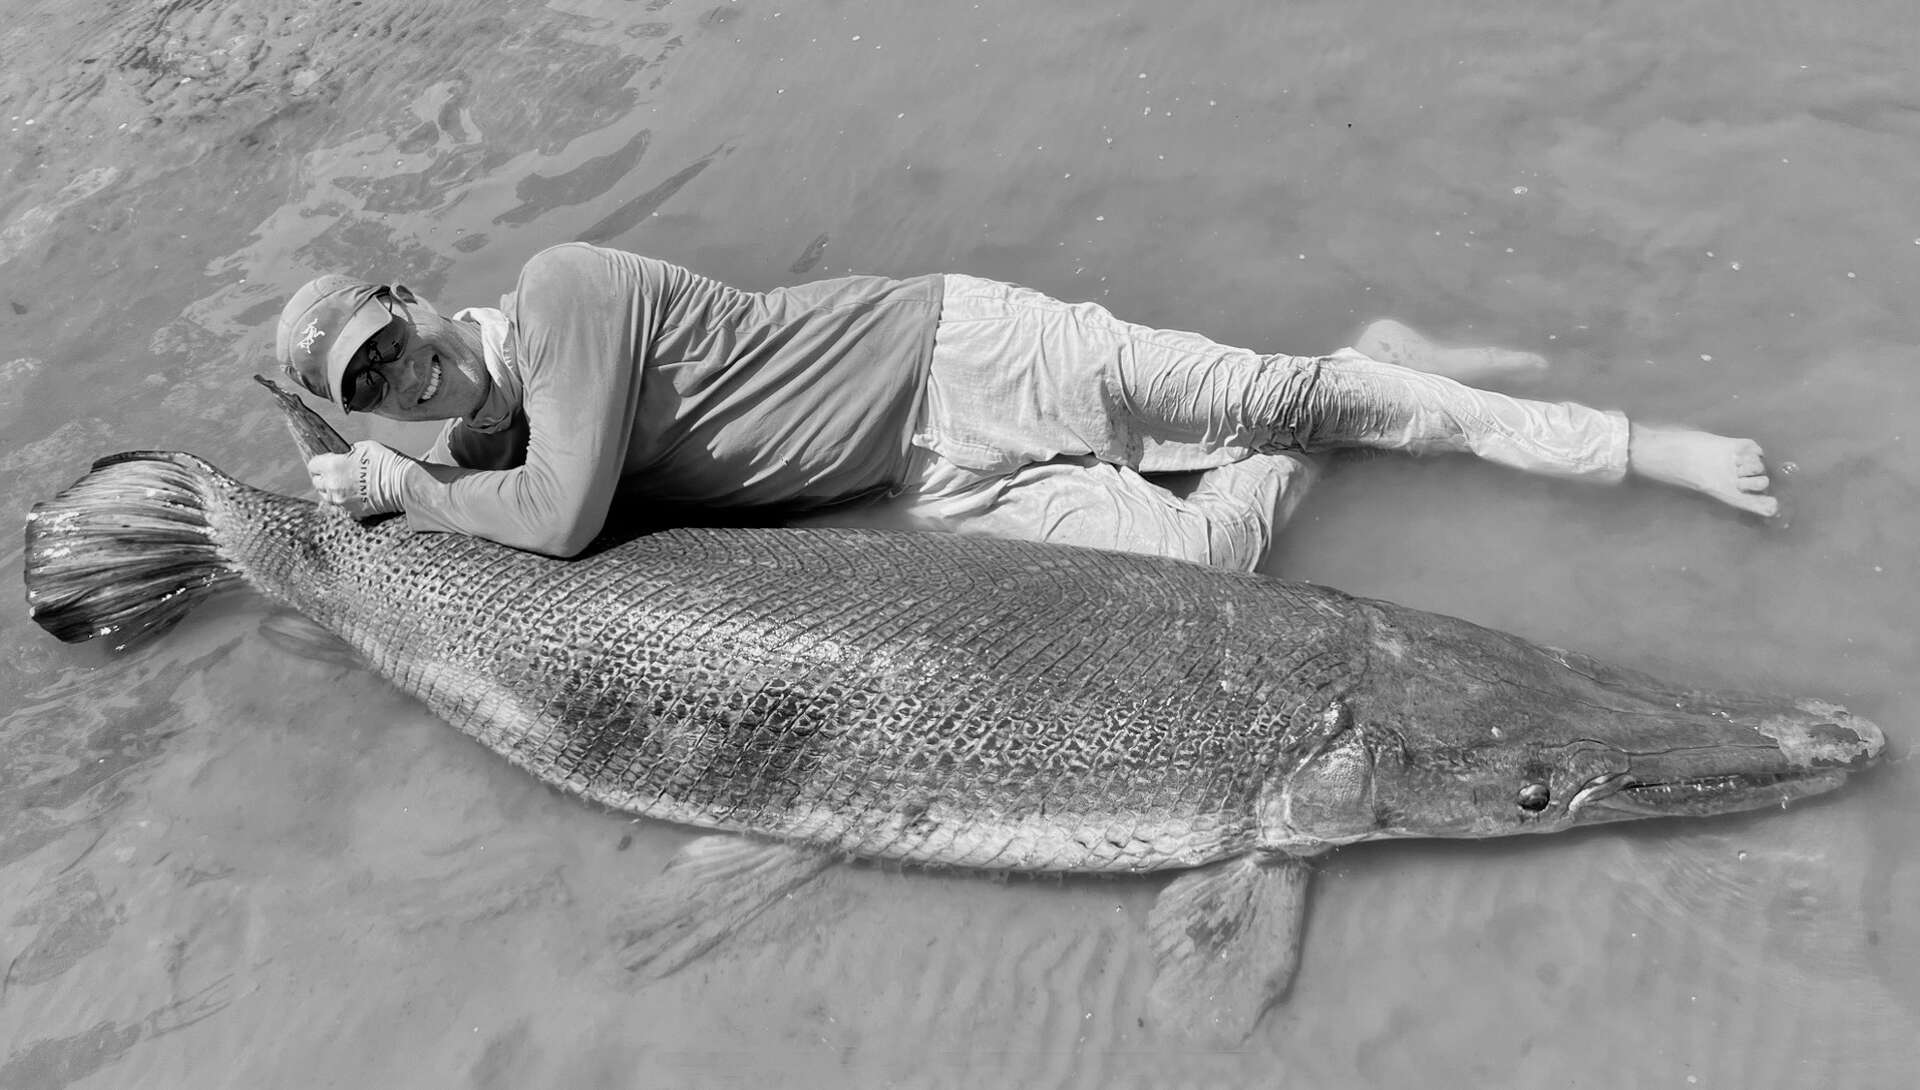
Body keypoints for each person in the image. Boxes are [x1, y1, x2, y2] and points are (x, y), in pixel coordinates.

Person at [274, 242, 1776, 569]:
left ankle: (1642, 452)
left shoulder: (561, 293)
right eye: (371, 391)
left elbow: (559, 519)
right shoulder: (480, 429)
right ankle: (1383, 352)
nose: (403, 379)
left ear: (415, 290)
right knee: (1209, 571)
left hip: (963, 354)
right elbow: (520, 489)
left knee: (1291, 395)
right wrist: (398, 461)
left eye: (389, 341)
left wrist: (402, 487)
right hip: (920, 487)